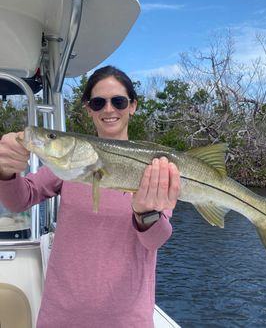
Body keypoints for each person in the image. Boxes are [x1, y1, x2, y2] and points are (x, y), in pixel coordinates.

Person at [0, 65, 181, 328]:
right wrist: (5, 171)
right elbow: (19, 200)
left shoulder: (155, 167)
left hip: (127, 320)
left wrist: (145, 214)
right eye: (98, 102)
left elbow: (156, 239)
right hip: (60, 318)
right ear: (89, 109)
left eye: (118, 101)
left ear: (133, 106)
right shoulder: (69, 165)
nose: (109, 109)